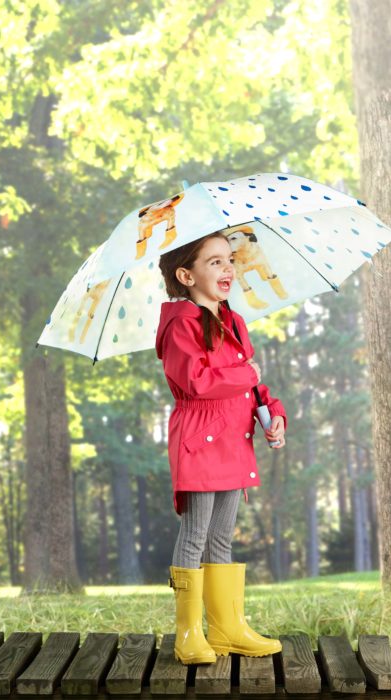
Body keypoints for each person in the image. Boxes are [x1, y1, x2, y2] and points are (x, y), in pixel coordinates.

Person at [155, 231, 287, 665]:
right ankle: (189, 632)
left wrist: (273, 411)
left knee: (222, 539)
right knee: (194, 536)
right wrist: (247, 377)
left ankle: (228, 628)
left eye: (229, 260)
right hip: (198, 440)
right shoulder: (180, 324)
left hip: (233, 440)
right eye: (214, 262)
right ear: (185, 274)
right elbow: (196, 382)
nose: (228, 268)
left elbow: (252, 382)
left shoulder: (233, 321)